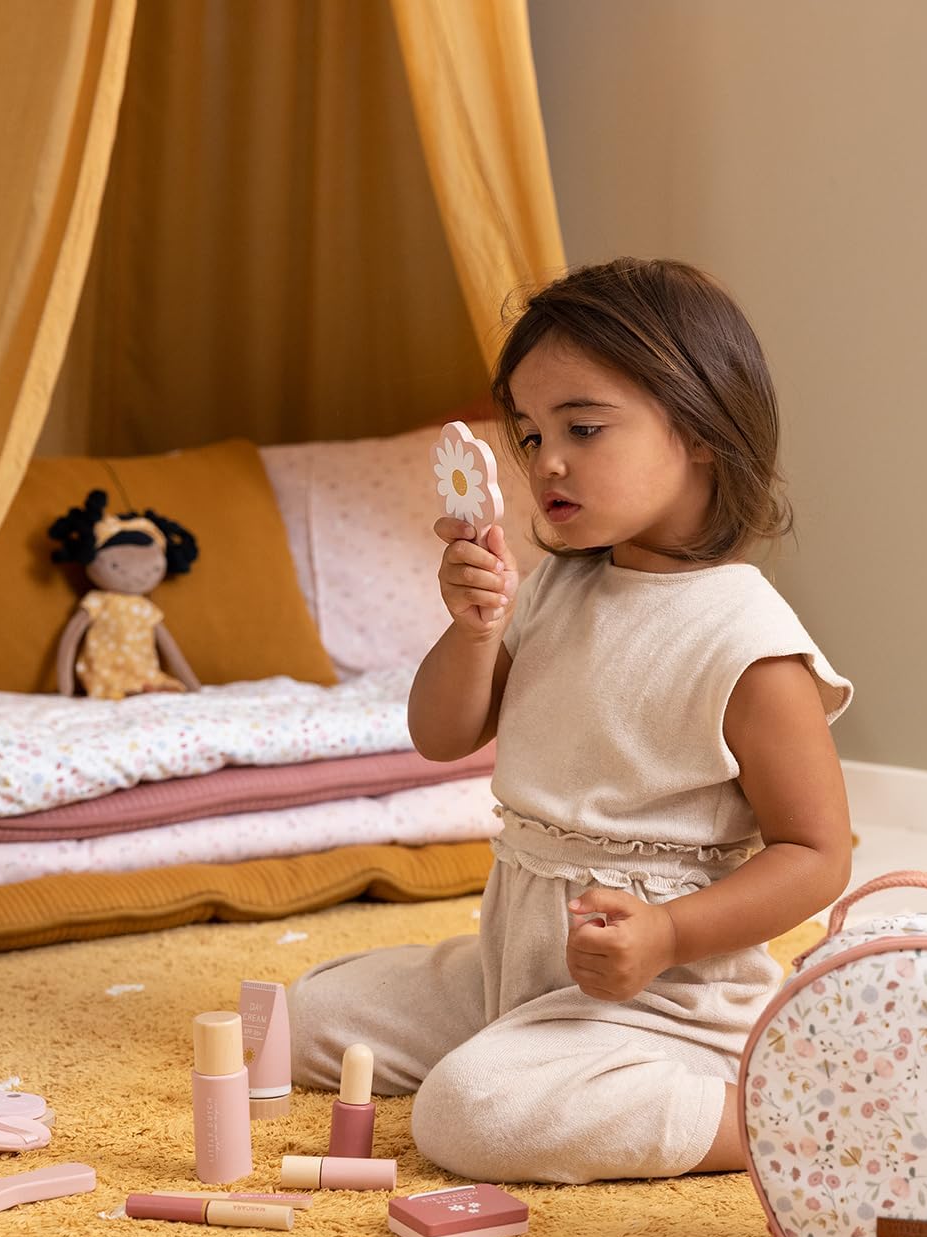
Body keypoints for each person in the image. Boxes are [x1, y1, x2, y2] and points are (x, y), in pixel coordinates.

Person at [288, 257, 853, 1183]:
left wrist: (665, 937)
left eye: (582, 428)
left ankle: (772, 1119)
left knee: (469, 1116)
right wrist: (475, 631)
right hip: (517, 961)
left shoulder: (749, 645)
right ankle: (532, 1046)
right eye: (530, 432)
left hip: (662, 994)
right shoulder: (558, 586)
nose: (546, 460)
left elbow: (817, 854)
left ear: (702, 430)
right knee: (300, 1019)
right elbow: (441, 735)